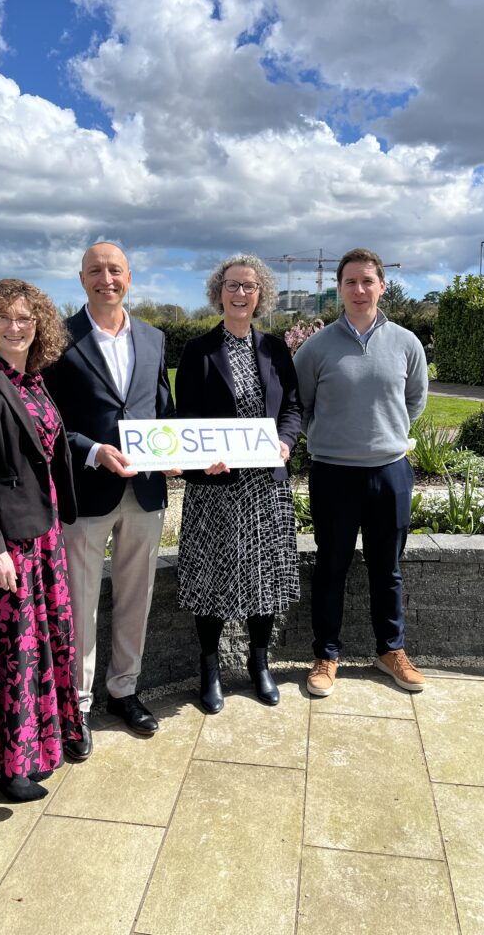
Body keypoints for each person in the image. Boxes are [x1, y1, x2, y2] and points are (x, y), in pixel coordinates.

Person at [0, 279, 81, 802]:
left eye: (25, 318)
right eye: (3, 317)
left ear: (39, 325)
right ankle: (8, 768)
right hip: (6, 547)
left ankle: (36, 748)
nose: (15, 326)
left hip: (43, 539)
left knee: (39, 651)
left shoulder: (35, 382)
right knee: (9, 658)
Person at [45, 241, 176, 757]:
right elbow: (48, 417)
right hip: (85, 490)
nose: (106, 278)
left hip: (144, 491)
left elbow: (161, 408)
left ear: (129, 277)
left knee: (136, 596)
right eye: (96, 270)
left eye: (115, 269)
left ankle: (124, 690)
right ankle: (75, 706)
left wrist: (181, 450)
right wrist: (93, 450)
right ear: (81, 279)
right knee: (79, 602)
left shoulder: (153, 336)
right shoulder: (57, 339)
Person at [293, 248, 428, 697]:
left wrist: (386, 435)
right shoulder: (316, 348)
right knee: (331, 567)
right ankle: (326, 655)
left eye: (367, 280)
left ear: (382, 285)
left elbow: (415, 402)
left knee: (386, 568)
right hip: (333, 474)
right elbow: (302, 406)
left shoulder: (407, 343)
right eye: (350, 281)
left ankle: (391, 651)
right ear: (340, 288)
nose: (358, 289)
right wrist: (330, 439)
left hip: (389, 473)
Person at [175, 254, 302, 713]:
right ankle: (209, 669)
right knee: (212, 576)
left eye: (249, 286)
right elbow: (183, 417)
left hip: (265, 485)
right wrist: (198, 457)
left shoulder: (274, 349)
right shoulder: (197, 351)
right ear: (219, 292)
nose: (240, 293)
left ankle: (259, 664)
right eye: (232, 285)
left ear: (260, 293)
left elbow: (291, 406)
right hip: (215, 487)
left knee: (263, 576)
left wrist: (286, 442)